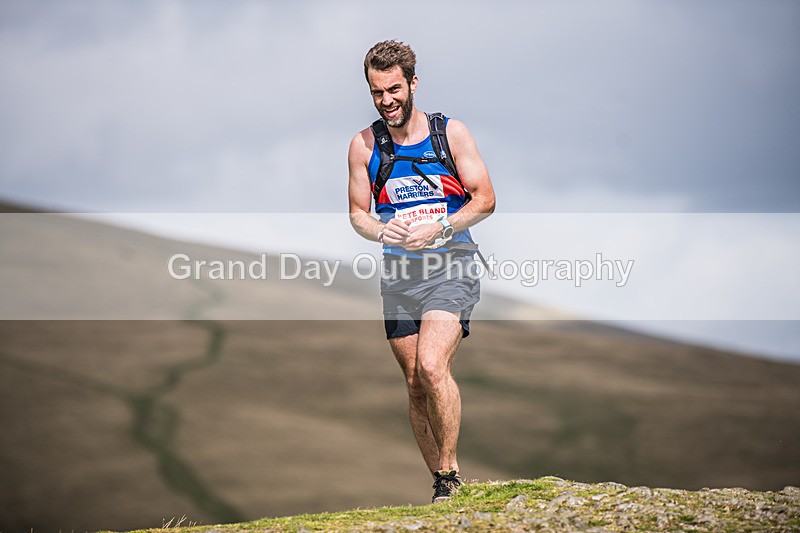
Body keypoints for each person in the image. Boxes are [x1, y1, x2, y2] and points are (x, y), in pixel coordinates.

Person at [348, 40, 495, 504]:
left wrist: (443, 225)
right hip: (399, 278)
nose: (386, 100)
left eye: (394, 89)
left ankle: (450, 476)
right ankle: (441, 486)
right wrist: (382, 231)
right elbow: (357, 213)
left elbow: (485, 199)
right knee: (414, 383)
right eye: (376, 92)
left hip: (452, 265)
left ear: (413, 83)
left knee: (433, 366)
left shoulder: (450, 134)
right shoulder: (365, 144)